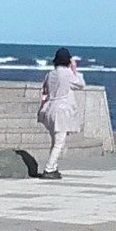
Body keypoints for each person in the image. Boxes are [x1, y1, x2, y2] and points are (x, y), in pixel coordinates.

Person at [37, 48, 86, 179]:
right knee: (59, 142)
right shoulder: (67, 74)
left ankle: (53, 167)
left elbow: (45, 90)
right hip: (62, 110)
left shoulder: (50, 74)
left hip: (50, 108)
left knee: (55, 141)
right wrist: (74, 69)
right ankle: (49, 168)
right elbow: (80, 84)